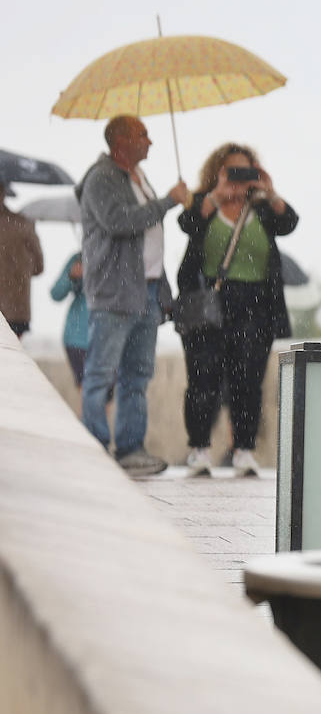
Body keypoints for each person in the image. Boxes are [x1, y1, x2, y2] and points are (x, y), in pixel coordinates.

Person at [76, 116, 189, 476]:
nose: (150, 141)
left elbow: (148, 234)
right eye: (143, 135)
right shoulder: (101, 178)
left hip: (147, 290)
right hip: (115, 293)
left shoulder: (138, 178)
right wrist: (168, 201)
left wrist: (164, 289)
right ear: (121, 141)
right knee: (101, 372)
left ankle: (130, 447)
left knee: (137, 374)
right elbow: (119, 221)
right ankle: (95, 445)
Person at [176, 144, 297, 478]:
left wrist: (269, 192)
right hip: (210, 300)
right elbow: (186, 221)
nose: (241, 178)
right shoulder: (205, 202)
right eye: (234, 171)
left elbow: (289, 222)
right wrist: (218, 195)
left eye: (248, 170)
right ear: (218, 171)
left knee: (249, 379)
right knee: (203, 377)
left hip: (256, 302)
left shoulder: (260, 208)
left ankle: (243, 449)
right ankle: (199, 448)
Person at [0, 183, 44, 338]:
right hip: (15, 309)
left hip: (14, 309)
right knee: (11, 359)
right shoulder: (23, 224)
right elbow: (39, 267)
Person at [50, 252, 90, 385]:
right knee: (88, 389)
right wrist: (72, 276)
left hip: (109, 337)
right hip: (78, 339)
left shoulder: (121, 256)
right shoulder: (80, 257)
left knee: (105, 393)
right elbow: (56, 293)